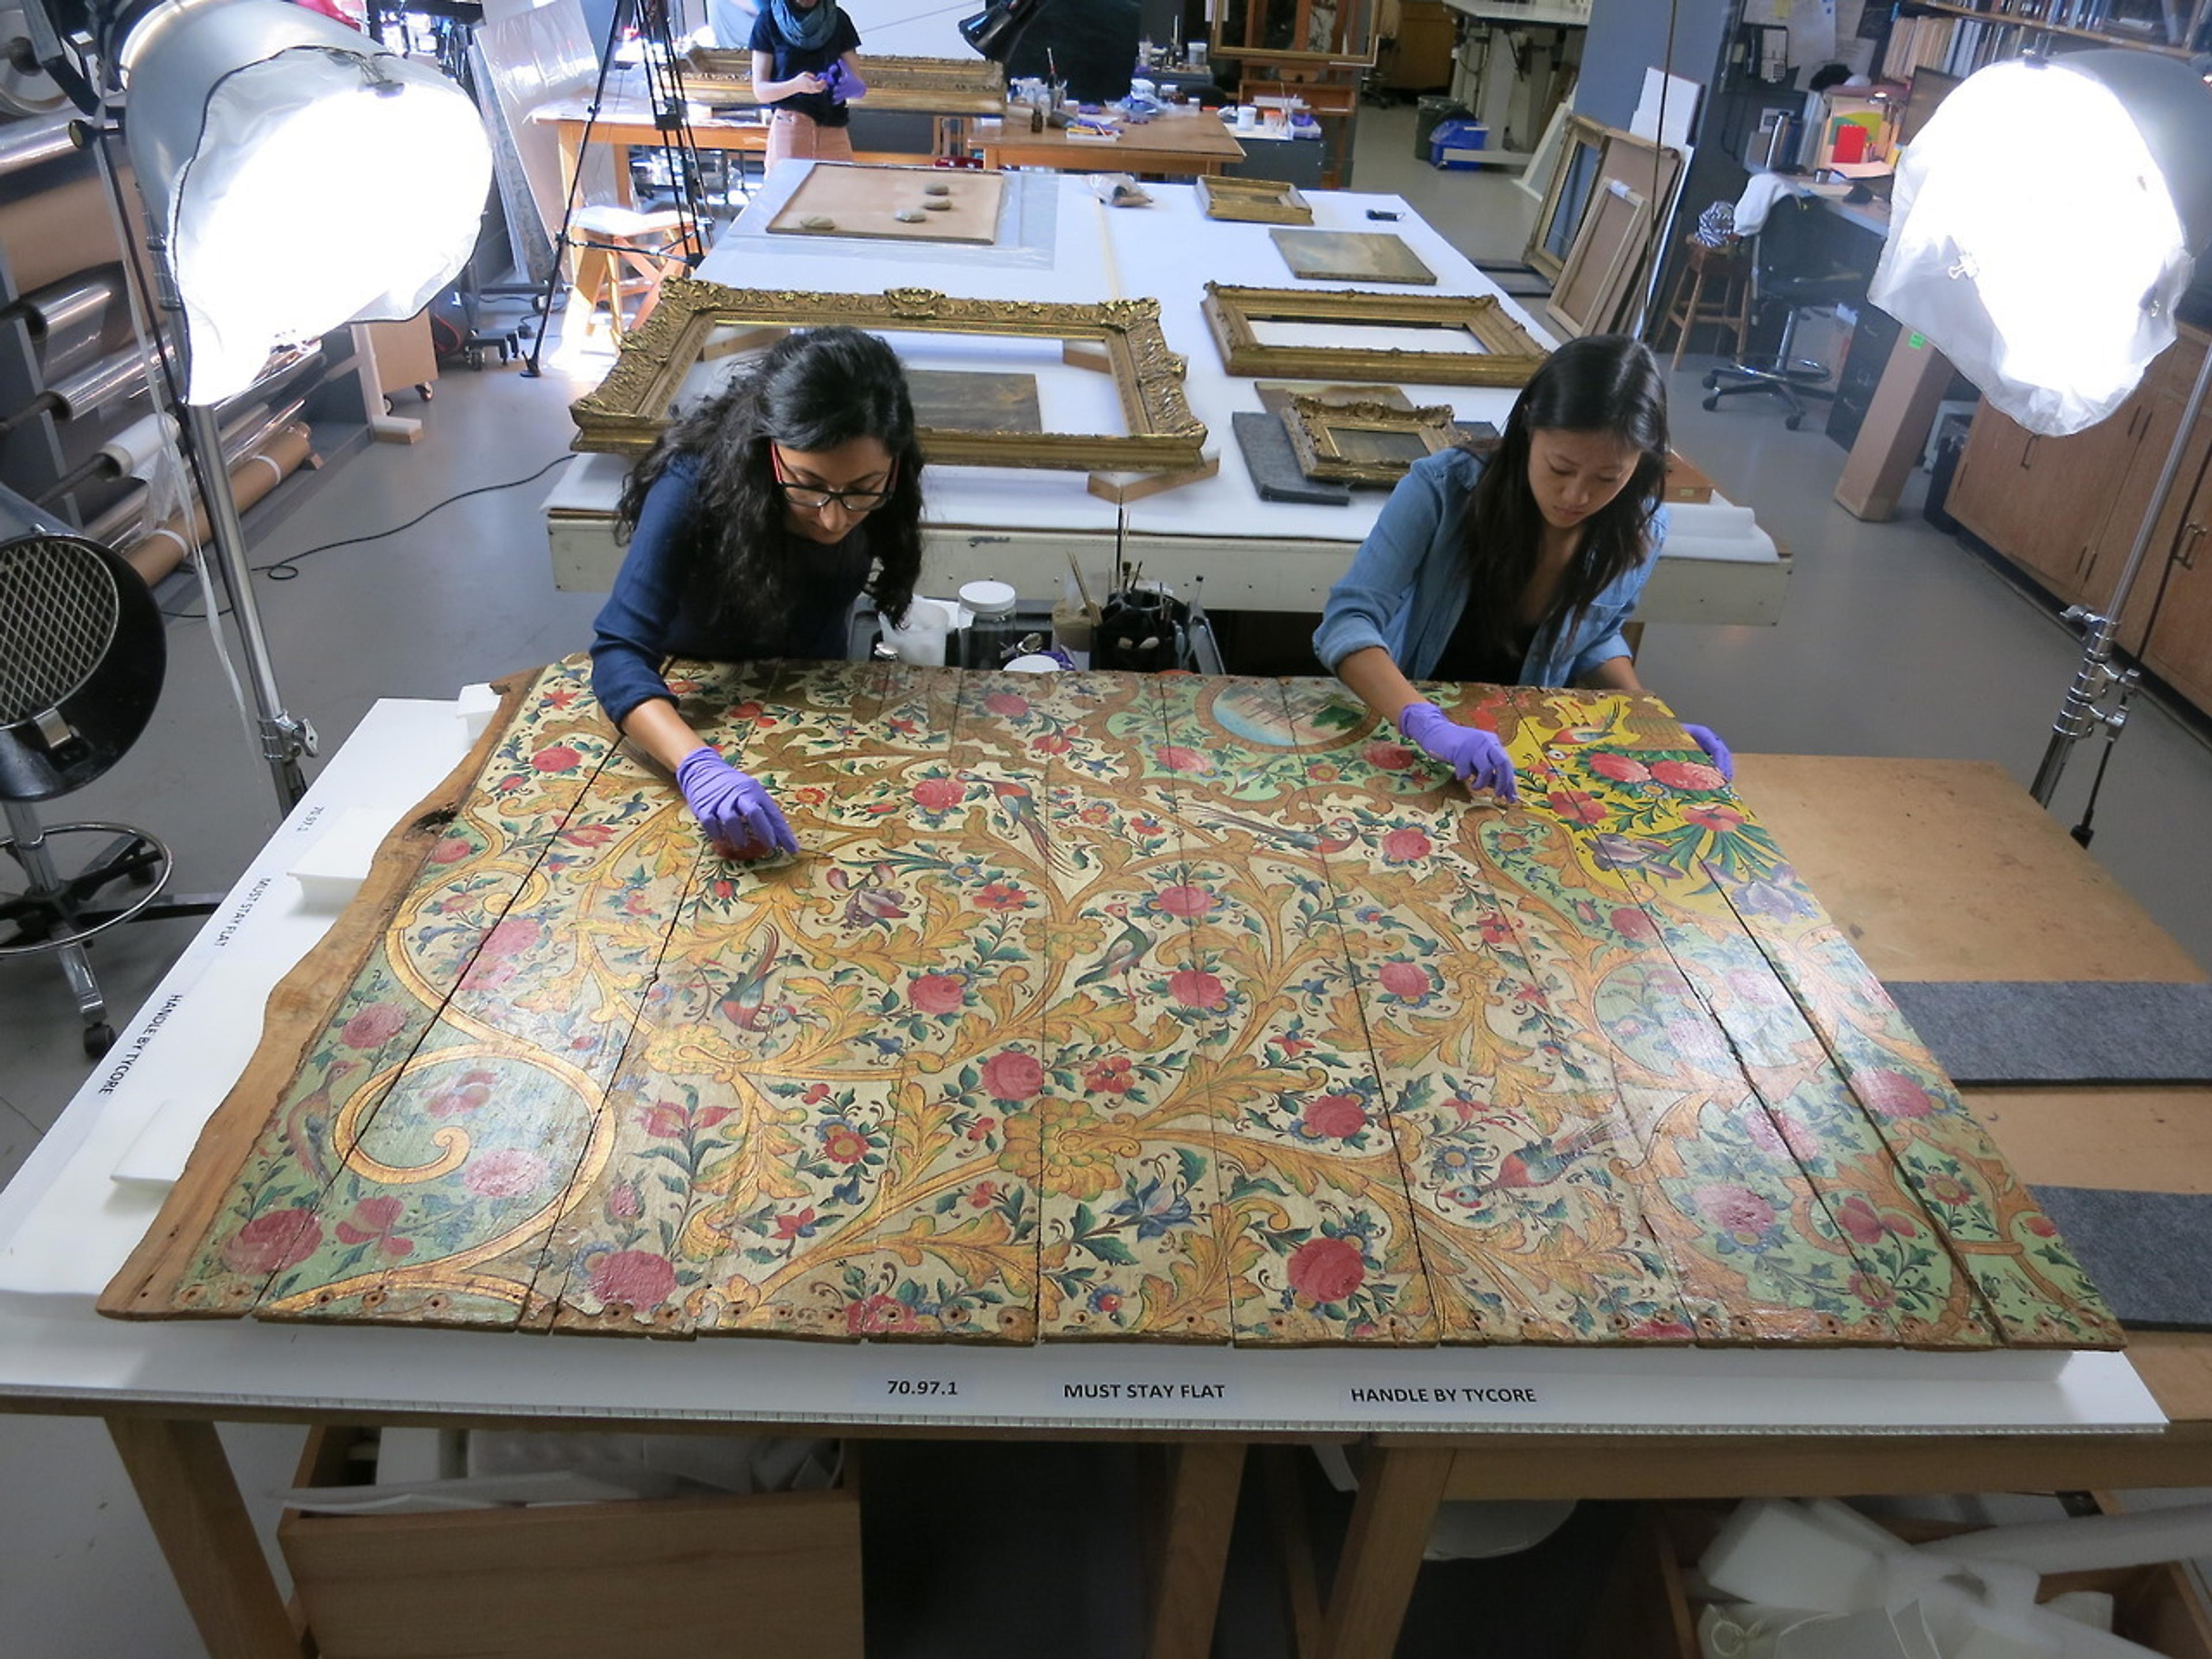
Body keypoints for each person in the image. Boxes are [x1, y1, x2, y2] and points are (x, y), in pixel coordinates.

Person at [1313, 334, 1732, 804]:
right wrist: (1428, 726)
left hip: (1522, 763)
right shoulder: (1440, 490)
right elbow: (1347, 622)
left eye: (1607, 478)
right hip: (1405, 734)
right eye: (1560, 468)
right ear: (1530, 423)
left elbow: (1595, 637)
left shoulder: (1641, 527)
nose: (1577, 497)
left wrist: (1650, 722)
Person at [591, 327, 923, 859]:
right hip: (688, 716)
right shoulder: (691, 484)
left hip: (812, 701)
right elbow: (618, 653)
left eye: (863, 490)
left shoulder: (886, 479)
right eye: (808, 484)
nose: (834, 518)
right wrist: (698, 767)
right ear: (770, 449)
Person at [750, 0, 865, 172]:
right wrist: (796, 86)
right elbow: (760, 91)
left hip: (833, 127)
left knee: (840, 195)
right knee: (787, 195)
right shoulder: (769, 20)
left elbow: (858, 83)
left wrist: (849, 86)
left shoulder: (838, 19)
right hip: (791, 127)